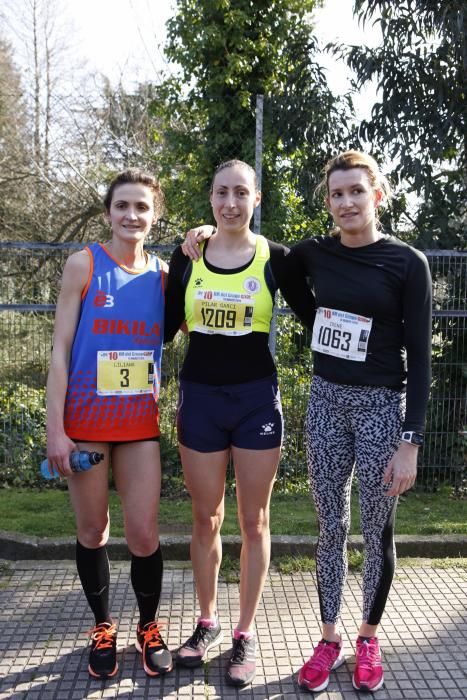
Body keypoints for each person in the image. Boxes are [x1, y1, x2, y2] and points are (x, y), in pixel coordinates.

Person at [186, 150, 432, 693]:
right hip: (325, 402)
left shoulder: (408, 262)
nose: (346, 202)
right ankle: (328, 639)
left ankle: (368, 638)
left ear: (378, 196)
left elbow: (421, 356)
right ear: (328, 202)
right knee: (330, 527)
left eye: (356, 192)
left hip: (379, 407)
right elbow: (246, 248)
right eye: (337, 194)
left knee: (377, 528)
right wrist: (201, 232)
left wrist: (409, 441)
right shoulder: (311, 255)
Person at [164, 159, 315, 687]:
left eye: (241, 193)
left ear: (257, 199)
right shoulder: (187, 257)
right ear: (210, 198)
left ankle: (245, 635)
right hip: (201, 399)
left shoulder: (278, 259)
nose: (231, 203)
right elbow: (160, 330)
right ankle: (206, 621)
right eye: (222, 193)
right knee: (205, 518)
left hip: (255, 401)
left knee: (255, 522)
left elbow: (321, 321)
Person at [45, 168, 173, 680]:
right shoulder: (83, 264)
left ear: (155, 216)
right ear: (108, 213)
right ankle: (102, 625)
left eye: (142, 207)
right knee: (93, 530)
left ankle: (148, 626)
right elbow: (59, 350)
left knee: (143, 533)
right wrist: (56, 429)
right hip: (87, 425)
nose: (131, 215)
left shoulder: (164, 276)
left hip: (139, 425)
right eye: (122, 206)